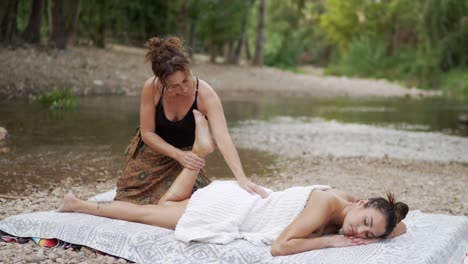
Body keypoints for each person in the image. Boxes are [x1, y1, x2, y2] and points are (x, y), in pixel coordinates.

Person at [58, 110, 409, 256]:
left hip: (241, 197)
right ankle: (80, 206)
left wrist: (385, 228)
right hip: (231, 208)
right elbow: (281, 247)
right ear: (362, 203)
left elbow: (400, 225)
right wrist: (334, 241)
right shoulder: (325, 205)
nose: (360, 234)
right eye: (364, 224)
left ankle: (198, 153)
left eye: (369, 235)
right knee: (146, 214)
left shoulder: (350, 202)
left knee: (166, 206)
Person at [115, 36, 267, 205]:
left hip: (188, 160)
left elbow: (223, 138)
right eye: (174, 86)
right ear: (161, 81)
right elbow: (147, 133)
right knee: (127, 202)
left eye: (185, 79)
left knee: (193, 202)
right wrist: (178, 154)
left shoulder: (206, 95)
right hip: (154, 154)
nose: (184, 88)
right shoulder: (151, 88)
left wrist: (242, 178)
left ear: (189, 67)